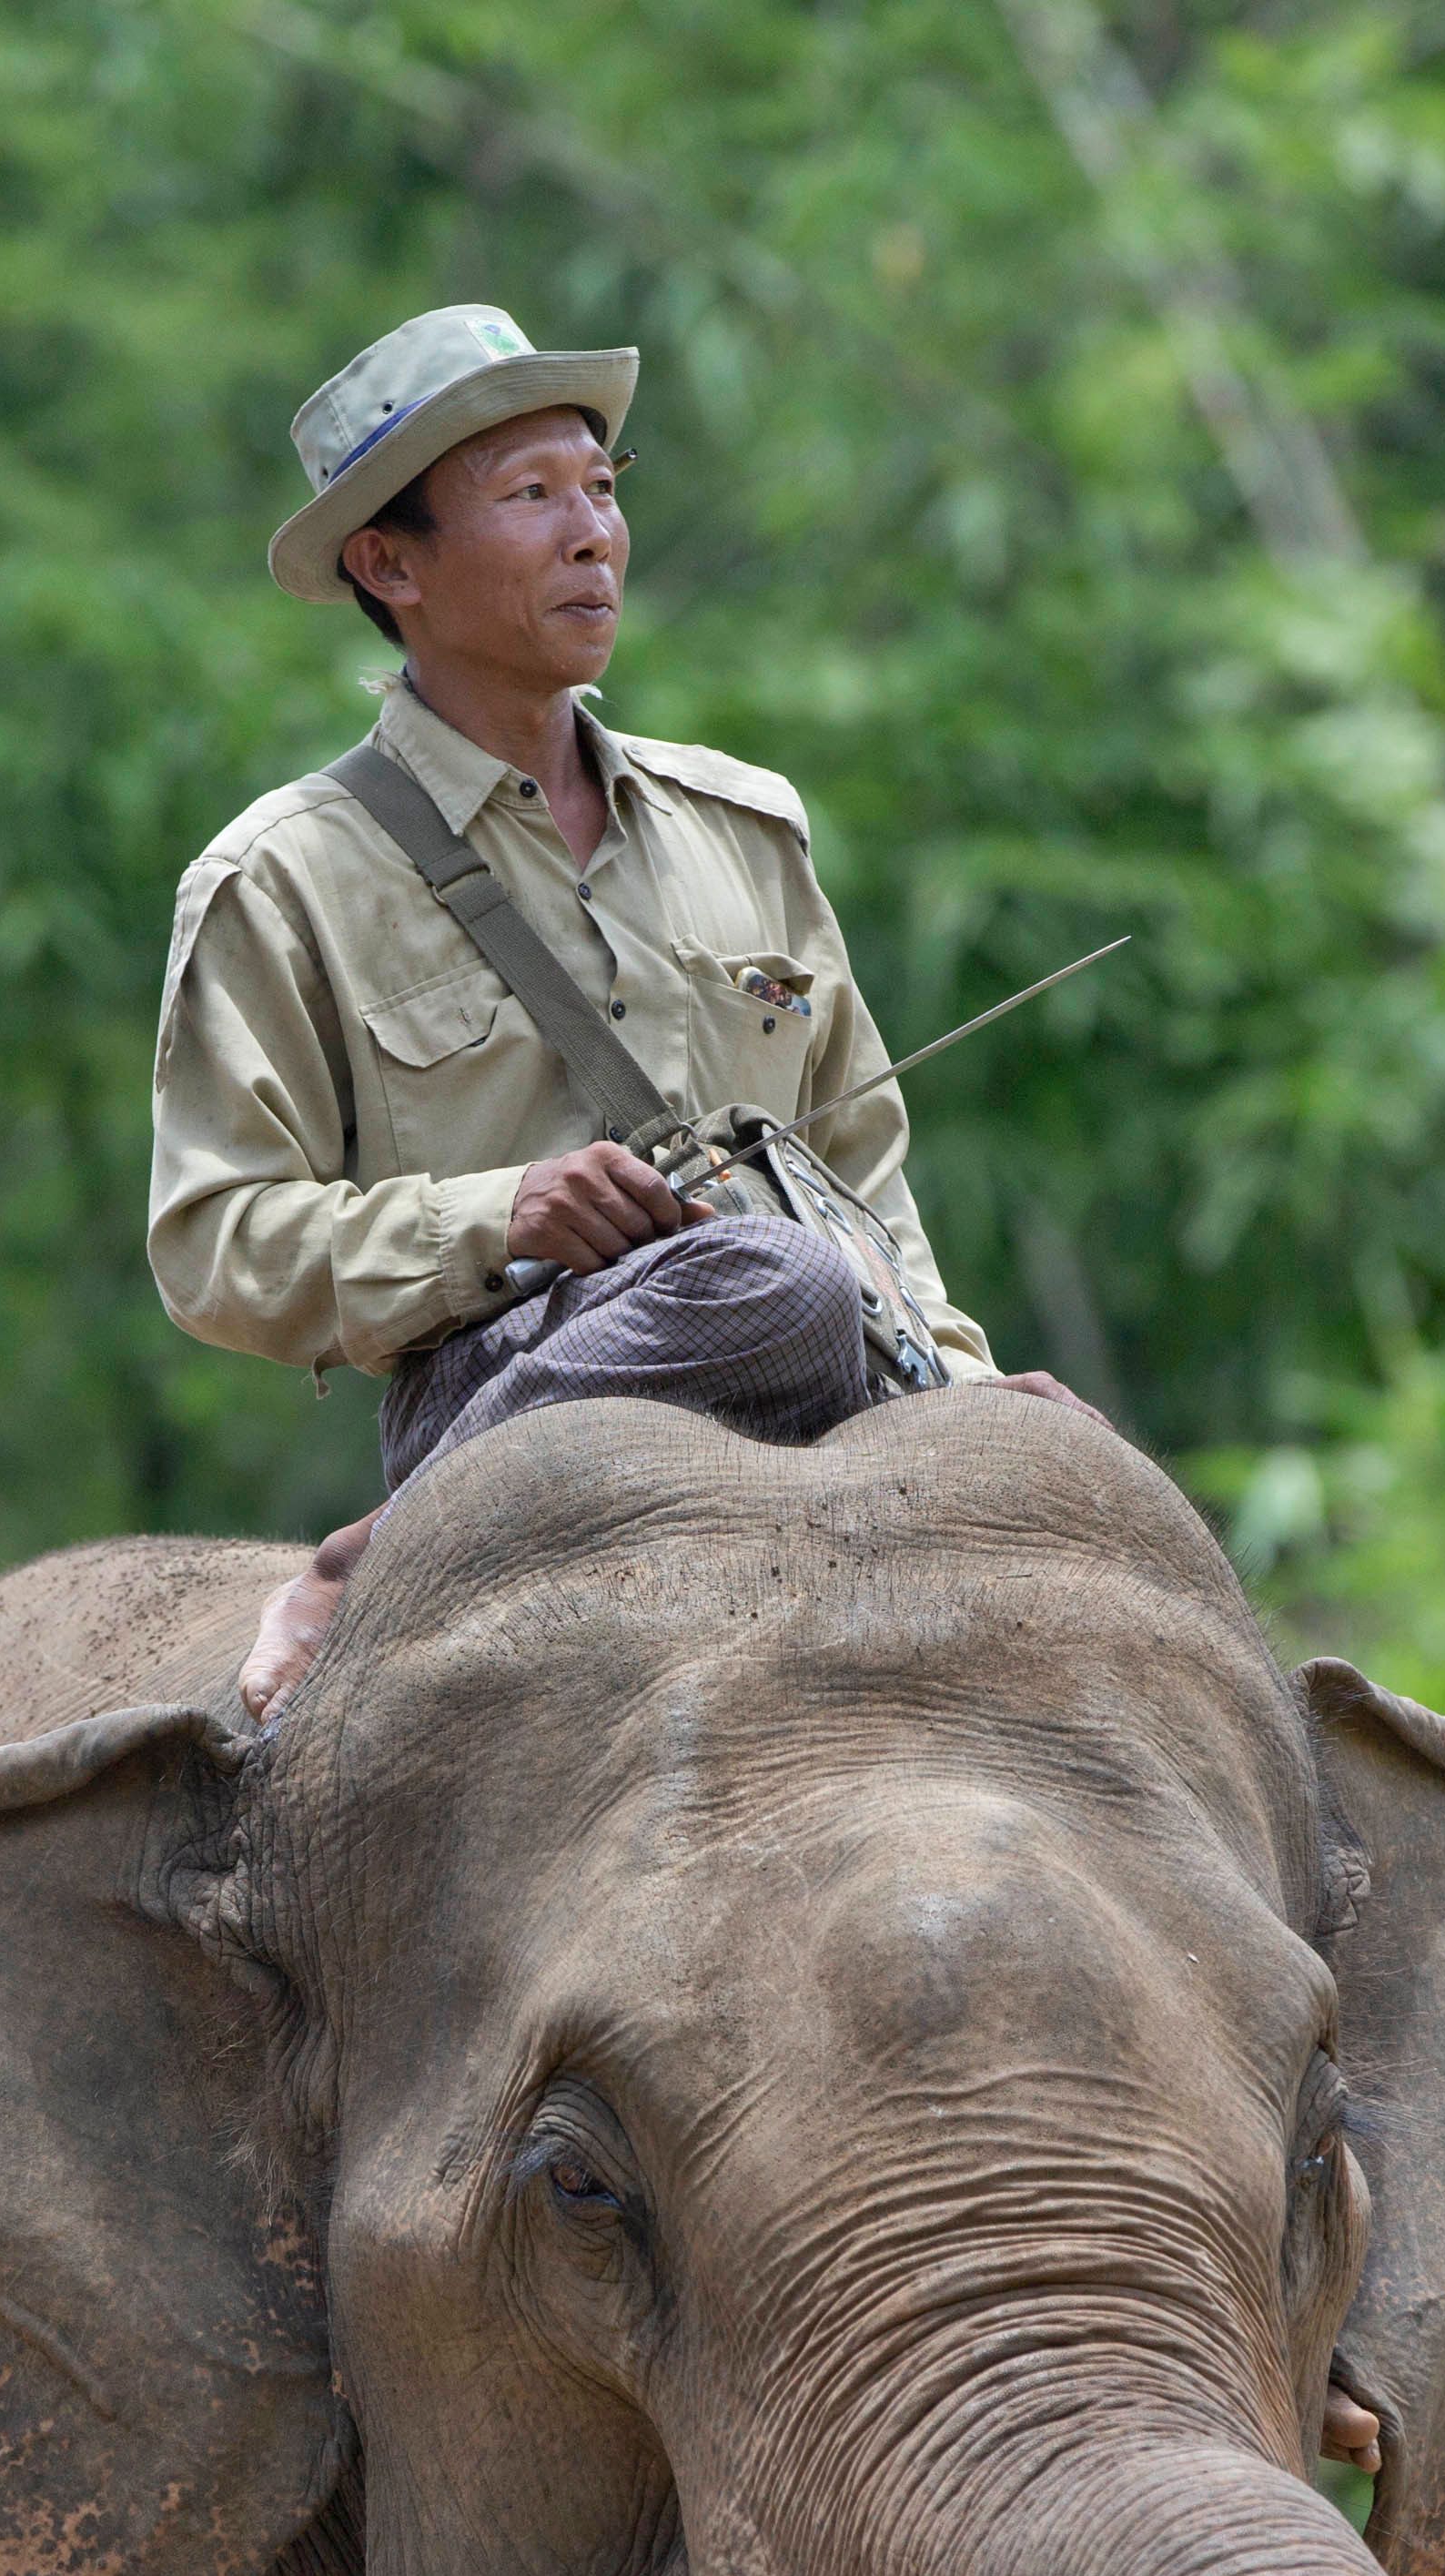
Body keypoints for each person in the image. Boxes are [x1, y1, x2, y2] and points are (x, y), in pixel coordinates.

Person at [149, 303, 1076, 1713]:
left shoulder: (746, 827)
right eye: (530, 497)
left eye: (600, 486)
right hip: (523, 1393)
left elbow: (866, 1180)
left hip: (821, 1356)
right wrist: (500, 1213)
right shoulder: (282, 879)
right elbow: (215, 1251)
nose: (593, 531)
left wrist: (956, 1392)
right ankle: (386, 1555)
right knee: (771, 1275)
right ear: (387, 563)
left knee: (1064, 1453)